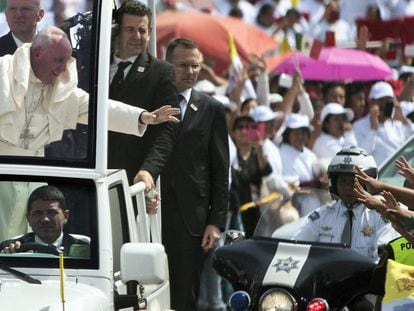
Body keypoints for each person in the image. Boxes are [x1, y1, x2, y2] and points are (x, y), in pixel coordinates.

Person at [0, 25, 179, 156]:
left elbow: (98, 108)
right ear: (37, 53)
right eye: (58, 60)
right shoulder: (4, 72)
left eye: (66, 61)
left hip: (34, 174)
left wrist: (141, 116)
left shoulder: (61, 89)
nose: (63, 69)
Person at [162, 37, 229, 310]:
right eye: (183, 65)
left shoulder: (212, 109)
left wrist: (216, 221)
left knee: (185, 292)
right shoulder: (153, 103)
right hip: (152, 210)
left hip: (193, 219)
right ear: (167, 65)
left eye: (195, 66)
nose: (190, 72)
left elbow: (220, 169)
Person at [107, 0, 179, 189]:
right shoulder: (95, 66)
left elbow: (167, 131)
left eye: (142, 30)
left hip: (132, 179)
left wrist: (148, 170)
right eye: (130, 30)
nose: (137, 36)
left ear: (150, 31)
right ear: (117, 31)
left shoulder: (161, 72)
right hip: (93, 170)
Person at [293, 146, 399, 261]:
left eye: (353, 182)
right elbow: (295, 250)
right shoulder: (321, 217)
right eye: (342, 181)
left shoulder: (380, 217)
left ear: (367, 183)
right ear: (334, 183)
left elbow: (382, 260)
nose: (347, 187)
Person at [0, 185, 89, 257]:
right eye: (37, 213)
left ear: (65, 216)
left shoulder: (87, 249)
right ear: (28, 219)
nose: (45, 219)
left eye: (51, 212)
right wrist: (9, 258)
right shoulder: (10, 248)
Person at [353, 81, 414, 166]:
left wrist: (404, 120)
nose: (385, 104)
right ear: (371, 102)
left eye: (388, 100)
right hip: (376, 176)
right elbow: (362, 154)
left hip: (398, 176)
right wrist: (373, 129)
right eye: (381, 100)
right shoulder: (359, 126)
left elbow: (411, 142)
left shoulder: (398, 124)